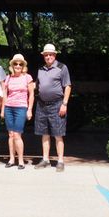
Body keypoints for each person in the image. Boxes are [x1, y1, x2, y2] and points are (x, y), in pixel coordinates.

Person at [34, 43, 71, 172]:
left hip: (57, 104)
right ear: (43, 56)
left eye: (50, 54)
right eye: (46, 55)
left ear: (55, 55)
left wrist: (64, 104)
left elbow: (67, 86)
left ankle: (60, 161)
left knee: (58, 134)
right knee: (44, 134)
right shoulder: (40, 69)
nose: (48, 56)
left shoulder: (62, 68)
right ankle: (45, 160)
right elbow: (36, 86)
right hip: (42, 105)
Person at [1, 53, 34, 170]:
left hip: (21, 107)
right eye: (15, 63)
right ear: (12, 65)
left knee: (17, 134)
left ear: (23, 65)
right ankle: (11, 159)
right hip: (9, 107)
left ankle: (20, 160)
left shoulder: (27, 77)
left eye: (20, 64)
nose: (18, 65)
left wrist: (29, 109)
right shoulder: (8, 78)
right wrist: (3, 109)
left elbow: (31, 95)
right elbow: (5, 95)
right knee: (10, 135)